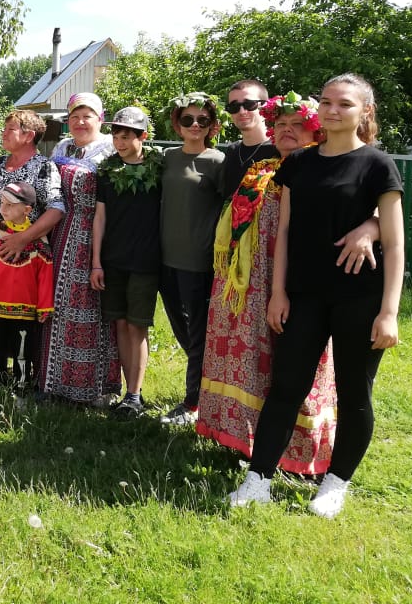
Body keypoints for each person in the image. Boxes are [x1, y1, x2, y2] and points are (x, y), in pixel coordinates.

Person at [229, 75, 403, 518]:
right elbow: (284, 231)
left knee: (354, 392)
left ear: (363, 112)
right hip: (303, 296)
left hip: (359, 298)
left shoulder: (378, 165)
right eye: (325, 102)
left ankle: (335, 483)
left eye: (343, 104)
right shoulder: (300, 164)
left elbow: (396, 242)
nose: (330, 110)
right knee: (286, 387)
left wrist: (389, 312)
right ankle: (258, 479)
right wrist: (278, 292)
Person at [199, 93, 340, 473]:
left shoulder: (324, 171)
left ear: (316, 130)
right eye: (280, 125)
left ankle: (298, 451)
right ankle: (246, 440)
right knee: (251, 363)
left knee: (297, 368)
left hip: (299, 285)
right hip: (248, 288)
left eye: (297, 125)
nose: (286, 131)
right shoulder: (260, 169)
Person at [41, 93, 120, 404]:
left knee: (89, 307)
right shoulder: (62, 147)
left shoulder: (110, 150)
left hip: (93, 235)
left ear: (99, 119)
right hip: (59, 232)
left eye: (87, 116)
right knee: (55, 305)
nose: (80, 122)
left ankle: (93, 387)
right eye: (75, 116)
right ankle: (55, 382)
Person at [90, 107, 163, 420]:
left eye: (126, 135)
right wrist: (96, 262)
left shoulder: (159, 169)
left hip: (146, 260)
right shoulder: (107, 170)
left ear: (142, 136)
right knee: (119, 323)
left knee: (137, 325)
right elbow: (100, 216)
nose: (119, 141)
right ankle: (124, 391)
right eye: (116, 135)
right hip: (113, 259)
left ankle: (135, 393)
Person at [157, 92, 225, 426]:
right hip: (164, 259)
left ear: (213, 125)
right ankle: (207, 382)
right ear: (177, 123)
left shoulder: (217, 162)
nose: (195, 125)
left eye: (203, 120)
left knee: (198, 331)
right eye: (188, 120)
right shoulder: (167, 158)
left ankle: (193, 402)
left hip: (198, 261)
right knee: (180, 328)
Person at [0, 181, 54, 400]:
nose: (3, 208)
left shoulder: (37, 240)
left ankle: (21, 385)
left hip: (25, 308)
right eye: (2, 203)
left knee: (23, 350)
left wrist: (45, 305)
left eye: (10, 205)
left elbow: (45, 275)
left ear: (27, 210)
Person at [219, 79, 277, 199]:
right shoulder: (232, 150)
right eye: (234, 107)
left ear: (265, 106)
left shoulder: (279, 149)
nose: (242, 111)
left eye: (249, 105)